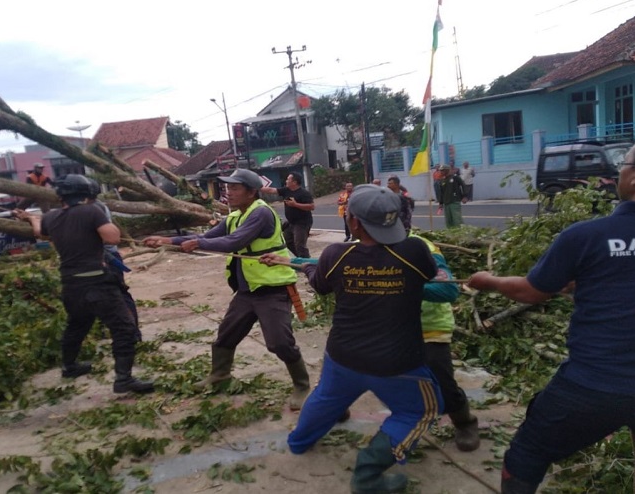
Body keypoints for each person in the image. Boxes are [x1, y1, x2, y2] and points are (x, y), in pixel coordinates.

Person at [467, 142, 635, 493]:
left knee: (527, 453)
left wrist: (489, 282)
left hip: (595, 384)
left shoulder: (586, 236)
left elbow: (531, 291)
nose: (619, 170)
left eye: (624, 163)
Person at [261, 184, 442, 493]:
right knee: (423, 409)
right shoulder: (414, 251)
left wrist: (305, 268)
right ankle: (368, 474)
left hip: (342, 354)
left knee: (326, 397)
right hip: (397, 362)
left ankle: (299, 442)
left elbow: (320, 283)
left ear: (354, 222)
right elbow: (434, 278)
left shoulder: (335, 254)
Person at [143, 168, 311, 410]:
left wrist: (199, 243)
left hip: (272, 287)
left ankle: (302, 385)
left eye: (234, 188)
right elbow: (210, 235)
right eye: (226, 187)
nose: (227, 192)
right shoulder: (234, 216)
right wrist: (167, 241)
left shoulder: (261, 213)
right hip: (247, 289)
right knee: (226, 335)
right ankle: (220, 375)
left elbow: (234, 242)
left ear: (252, 192)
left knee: (279, 343)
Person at [13, 174, 153, 394]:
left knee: (77, 325)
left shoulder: (50, 217)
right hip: (97, 282)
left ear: (61, 196)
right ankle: (123, 379)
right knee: (124, 328)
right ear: (87, 194)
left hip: (70, 284)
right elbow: (113, 238)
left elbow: (41, 233)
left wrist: (31, 218)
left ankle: (69, 366)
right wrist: (103, 221)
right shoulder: (91, 211)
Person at [411, 233, 480, 452]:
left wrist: (400, 286)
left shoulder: (422, 248)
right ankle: (334, 407)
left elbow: (448, 290)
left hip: (429, 325)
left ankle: (465, 422)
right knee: (360, 368)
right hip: (391, 326)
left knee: (441, 380)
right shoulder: (362, 244)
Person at [94, 201, 141, 343]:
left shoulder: (95, 208)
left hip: (105, 257)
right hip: (94, 258)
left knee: (118, 295)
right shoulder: (84, 208)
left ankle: (132, 333)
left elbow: (111, 238)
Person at [261, 172, 314, 258]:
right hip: (291, 223)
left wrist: (295, 204)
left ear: (294, 182)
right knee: (287, 241)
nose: (286, 181)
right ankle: (301, 259)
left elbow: (311, 206)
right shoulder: (286, 190)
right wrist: (256, 188)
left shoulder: (304, 193)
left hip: (302, 223)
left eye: (288, 179)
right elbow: (271, 190)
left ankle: (308, 264)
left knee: (300, 245)